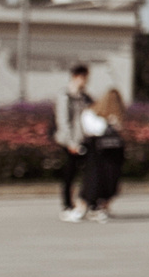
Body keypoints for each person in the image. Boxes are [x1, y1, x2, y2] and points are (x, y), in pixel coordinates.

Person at [79, 89, 128, 220]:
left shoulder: (91, 113)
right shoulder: (95, 115)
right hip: (101, 152)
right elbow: (95, 130)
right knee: (99, 179)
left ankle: (98, 206)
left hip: (104, 152)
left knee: (101, 179)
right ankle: (93, 207)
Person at [55, 63, 94, 221]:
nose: (84, 81)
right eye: (82, 77)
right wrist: (71, 143)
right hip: (69, 141)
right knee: (69, 175)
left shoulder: (86, 97)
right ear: (75, 77)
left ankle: (83, 203)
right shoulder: (66, 96)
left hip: (84, 140)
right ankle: (67, 205)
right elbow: (63, 121)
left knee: (87, 174)